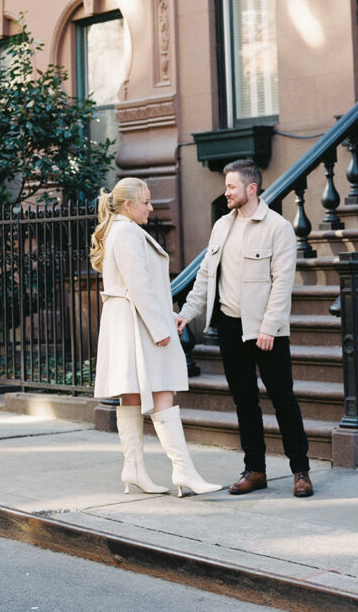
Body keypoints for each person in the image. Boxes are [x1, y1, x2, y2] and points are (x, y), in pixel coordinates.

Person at [175, 159, 313, 498]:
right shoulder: (222, 225)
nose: (227, 193)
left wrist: (269, 327)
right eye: (227, 187)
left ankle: (301, 471)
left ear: (251, 189)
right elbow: (207, 275)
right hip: (229, 326)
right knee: (244, 401)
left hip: (267, 331)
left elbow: (282, 283)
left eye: (232, 187)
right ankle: (255, 470)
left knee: (283, 400)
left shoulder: (277, 228)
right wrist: (187, 312)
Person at [91, 177, 220, 497]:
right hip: (139, 322)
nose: (151, 207)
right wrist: (160, 329)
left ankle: (134, 468)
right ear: (129, 205)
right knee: (162, 391)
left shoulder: (122, 231)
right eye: (146, 202)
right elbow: (140, 286)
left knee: (133, 395)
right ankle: (183, 472)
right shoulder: (126, 233)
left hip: (131, 322)